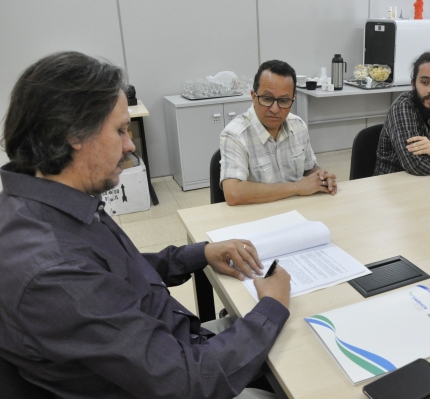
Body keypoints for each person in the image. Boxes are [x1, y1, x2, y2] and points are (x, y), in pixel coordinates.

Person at [0, 51, 292, 399]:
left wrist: (199, 253)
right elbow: (189, 381)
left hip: (170, 346)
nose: (130, 146)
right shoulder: (54, 269)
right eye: (121, 130)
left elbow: (118, 272)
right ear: (72, 134)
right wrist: (273, 305)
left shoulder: (52, 198)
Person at [219, 60, 336, 205]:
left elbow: (309, 168)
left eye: (284, 100)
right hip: (258, 217)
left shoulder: (298, 125)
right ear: (253, 96)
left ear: (293, 99)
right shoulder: (235, 135)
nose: (275, 109)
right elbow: (233, 193)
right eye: (267, 99)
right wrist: (297, 187)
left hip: (298, 211)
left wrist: (320, 177)